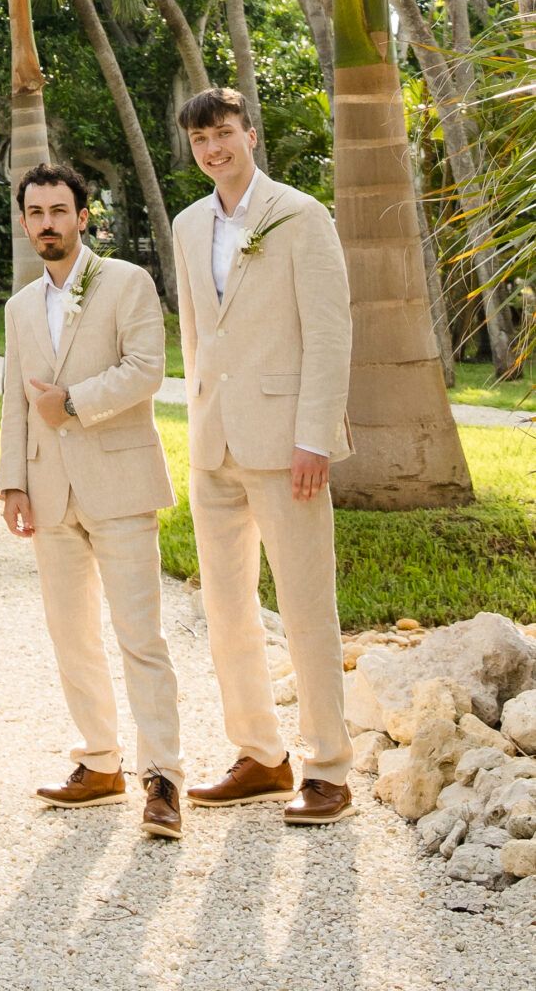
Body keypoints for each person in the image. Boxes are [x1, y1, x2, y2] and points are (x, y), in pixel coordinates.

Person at [173, 86, 354, 825]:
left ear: (250, 134)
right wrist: (200, 419)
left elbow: (330, 333)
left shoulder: (300, 215)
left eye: (223, 133)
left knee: (307, 607)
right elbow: (197, 333)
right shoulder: (188, 224)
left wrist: (315, 437)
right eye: (200, 140)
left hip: (286, 445)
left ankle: (329, 768)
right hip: (214, 445)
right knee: (225, 610)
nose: (213, 149)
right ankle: (259, 755)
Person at [0, 163, 184, 840]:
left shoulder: (126, 282)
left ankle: (163, 777)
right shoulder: (19, 307)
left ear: (82, 217)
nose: (47, 223)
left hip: (119, 484)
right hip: (49, 494)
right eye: (35, 212)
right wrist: (12, 482)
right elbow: (17, 400)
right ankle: (99, 762)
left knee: (140, 636)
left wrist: (73, 402)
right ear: (25, 221)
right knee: (71, 636)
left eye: (59, 211)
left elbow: (146, 369)